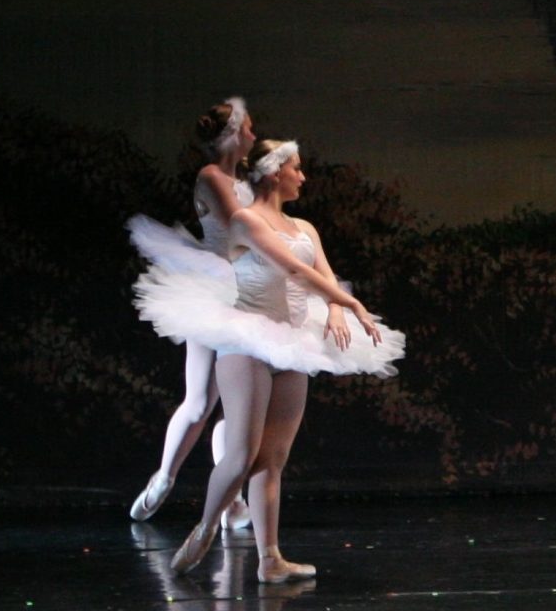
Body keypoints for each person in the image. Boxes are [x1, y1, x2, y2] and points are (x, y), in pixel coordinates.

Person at [137, 138, 402, 582]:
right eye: (297, 167)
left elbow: (322, 272)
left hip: (292, 342)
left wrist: (336, 307)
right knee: (241, 454)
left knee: (273, 458)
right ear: (275, 172)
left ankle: (270, 558)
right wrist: (354, 306)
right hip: (249, 342)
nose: (303, 175)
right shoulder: (244, 222)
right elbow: (295, 270)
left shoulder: (305, 226)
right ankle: (204, 528)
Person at [125, 96, 254, 523]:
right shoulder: (211, 177)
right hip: (215, 287)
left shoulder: (244, 179)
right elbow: (242, 226)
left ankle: (231, 499)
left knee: (239, 408)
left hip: (247, 290)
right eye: (248, 128)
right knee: (199, 402)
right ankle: (163, 477)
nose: (254, 134)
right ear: (233, 136)